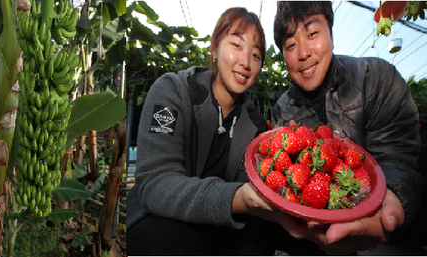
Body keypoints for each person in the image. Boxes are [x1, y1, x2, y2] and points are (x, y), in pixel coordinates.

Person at [127, 7, 326, 255]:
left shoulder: (254, 124)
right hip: (158, 219)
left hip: (221, 221)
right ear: (215, 47)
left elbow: (253, 184)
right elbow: (155, 185)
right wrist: (237, 199)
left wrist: (288, 156)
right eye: (236, 44)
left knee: (270, 242)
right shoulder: (173, 91)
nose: (245, 62)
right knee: (177, 241)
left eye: (256, 55)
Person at [271, 1, 426, 255]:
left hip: (378, 237)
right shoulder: (282, 110)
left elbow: (397, 156)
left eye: (312, 34)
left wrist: (390, 197)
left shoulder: (378, 78)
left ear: (331, 35)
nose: (303, 52)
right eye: (290, 45)